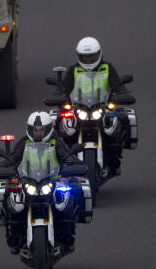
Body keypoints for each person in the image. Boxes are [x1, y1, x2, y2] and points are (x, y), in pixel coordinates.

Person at [0, 112, 83, 253]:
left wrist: (74, 164)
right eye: (35, 129)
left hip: (51, 182)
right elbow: (13, 157)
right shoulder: (25, 142)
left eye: (41, 129)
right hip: (28, 181)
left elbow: (67, 156)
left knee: (69, 196)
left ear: (48, 129)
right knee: (10, 196)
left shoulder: (56, 142)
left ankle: (68, 235)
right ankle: (13, 234)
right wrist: (3, 165)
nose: (38, 132)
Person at [56, 37, 133, 176]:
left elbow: (117, 85)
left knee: (118, 122)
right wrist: (58, 93)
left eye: (91, 57)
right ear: (79, 56)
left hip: (102, 108)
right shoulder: (74, 70)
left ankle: (114, 159)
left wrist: (122, 92)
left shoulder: (107, 68)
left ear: (99, 54)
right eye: (85, 58)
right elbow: (64, 87)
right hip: (79, 107)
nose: (88, 60)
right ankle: (61, 158)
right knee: (59, 121)